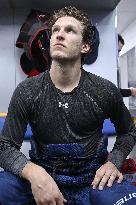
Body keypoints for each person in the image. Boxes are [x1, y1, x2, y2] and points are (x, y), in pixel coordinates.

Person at [0, 6, 136, 205]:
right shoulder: (27, 91)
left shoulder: (104, 90)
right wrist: (33, 172)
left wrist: (113, 162)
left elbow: (128, 132)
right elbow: (5, 147)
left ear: (85, 46)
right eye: (55, 30)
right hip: (43, 176)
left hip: (93, 180)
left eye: (69, 30)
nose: (59, 35)